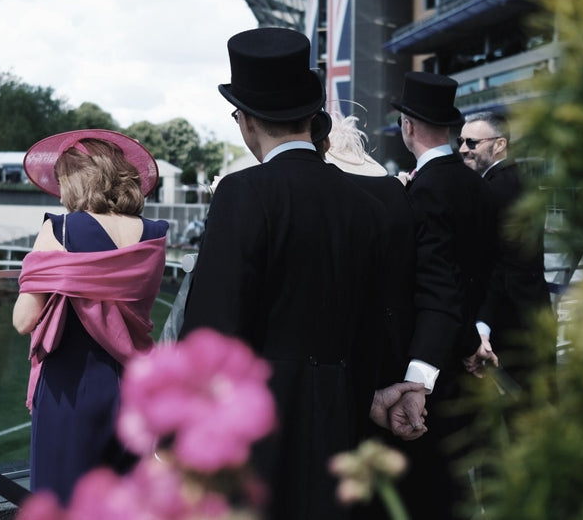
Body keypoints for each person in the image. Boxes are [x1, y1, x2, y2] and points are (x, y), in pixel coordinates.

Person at [180, 27, 420, 520]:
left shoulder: (241, 194)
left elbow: (211, 328)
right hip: (343, 415)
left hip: (257, 422)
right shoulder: (367, 205)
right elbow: (377, 321)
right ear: (313, 118)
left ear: (245, 121)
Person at [13, 130, 168, 504]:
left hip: (71, 386)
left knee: (63, 502)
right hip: (132, 384)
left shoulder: (61, 229)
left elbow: (23, 320)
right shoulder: (153, 235)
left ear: (76, 180)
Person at [392, 71, 497, 520]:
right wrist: (479, 337)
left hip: (431, 356)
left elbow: (437, 283)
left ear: (408, 126)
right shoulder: (478, 184)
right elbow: (490, 269)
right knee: (455, 477)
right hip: (470, 348)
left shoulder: (424, 190)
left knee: (430, 484)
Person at [458, 111, 554, 410]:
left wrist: (482, 327)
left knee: (517, 416)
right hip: (534, 315)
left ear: (499, 144)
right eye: (461, 141)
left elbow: (496, 265)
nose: (463, 149)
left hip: (508, 322)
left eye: (472, 142)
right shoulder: (520, 182)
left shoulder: (492, 190)